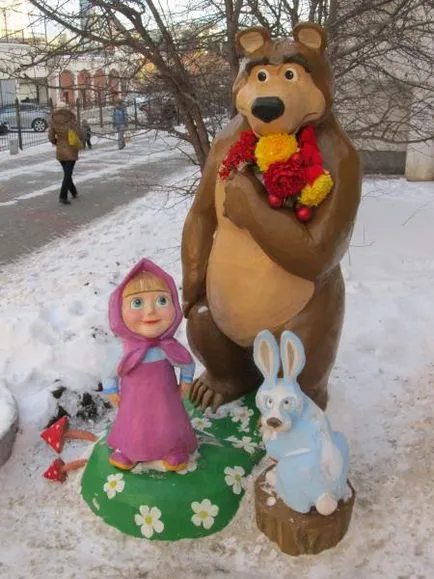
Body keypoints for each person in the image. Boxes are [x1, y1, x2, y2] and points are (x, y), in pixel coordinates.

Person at [102, 258, 197, 471]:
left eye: (162, 301)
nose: (150, 312)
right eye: (137, 303)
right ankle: (129, 450)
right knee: (134, 424)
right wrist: (110, 389)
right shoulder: (125, 350)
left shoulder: (168, 347)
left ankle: (173, 449)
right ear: (119, 309)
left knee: (168, 424)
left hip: (166, 401)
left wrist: (186, 382)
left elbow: (186, 363)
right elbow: (109, 369)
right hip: (133, 403)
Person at [48, 101, 82, 205]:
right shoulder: (71, 119)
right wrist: (82, 141)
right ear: (66, 108)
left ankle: (74, 191)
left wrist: (56, 142)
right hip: (71, 148)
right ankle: (63, 196)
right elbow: (78, 132)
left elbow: (50, 136)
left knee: (67, 173)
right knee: (68, 174)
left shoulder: (53, 120)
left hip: (60, 150)